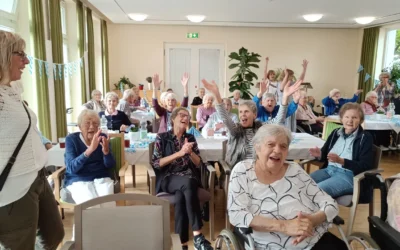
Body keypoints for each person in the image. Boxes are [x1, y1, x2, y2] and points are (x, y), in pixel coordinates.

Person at [228, 125, 345, 250]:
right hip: (272, 245)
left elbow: (330, 203)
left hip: (313, 238)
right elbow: (237, 214)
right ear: (257, 148)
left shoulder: (295, 170)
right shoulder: (243, 171)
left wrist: (313, 220)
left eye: (283, 146)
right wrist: (285, 226)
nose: (277, 150)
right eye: (271, 144)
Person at [0, 31, 64, 250]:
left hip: (38, 178)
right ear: (4, 55)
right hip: (13, 188)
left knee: (54, 234)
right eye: (21, 55)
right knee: (21, 244)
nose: (26, 60)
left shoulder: (13, 89)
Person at [202, 78, 302, 168]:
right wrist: (217, 95)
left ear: (254, 115)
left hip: (258, 168)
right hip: (239, 168)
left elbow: (278, 121)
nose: (242, 115)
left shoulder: (260, 128)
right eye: (240, 112)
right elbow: (225, 118)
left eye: (246, 112)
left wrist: (284, 98)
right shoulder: (235, 129)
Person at [151, 107, 213, 250]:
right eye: (182, 115)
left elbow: (198, 163)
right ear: (173, 118)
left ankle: (182, 242)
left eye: (187, 116)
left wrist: (190, 152)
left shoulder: (190, 138)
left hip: (188, 176)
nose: (185, 118)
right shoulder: (162, 137)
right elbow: (156, 163)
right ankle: (198, 236)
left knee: (180, 197)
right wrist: (179, 153)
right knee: (188, 183)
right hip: (168, 177)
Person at [309, 103, 373, 198]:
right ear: (341, 119)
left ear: (360, 120)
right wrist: (319, 154)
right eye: (346, 117)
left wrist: (342, 161)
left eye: (354, 117)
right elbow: (324, 155)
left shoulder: (365, 137)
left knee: (317, 191)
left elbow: (365, 165)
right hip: (328, 170)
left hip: (349, 176)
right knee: (302, 183)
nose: (350, 120)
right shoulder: (335, 133)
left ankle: (316, 212)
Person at [64, 110, 116, 203]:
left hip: (101, 177)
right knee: (90, 205)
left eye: (95, 123)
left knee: (107, 204)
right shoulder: (71, 139)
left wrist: (106, 152)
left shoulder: (102, 137)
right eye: (87, 123)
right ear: (80, 127)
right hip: (78, 179)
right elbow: (71, 168)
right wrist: (90, 150)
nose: (92, 127)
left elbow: (110, 165)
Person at [278, 60, 309, 131]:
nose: (292, 77)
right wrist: (286, 75)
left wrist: (304, 69)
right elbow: (282, 88)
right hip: (283, 107)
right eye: (291, 75)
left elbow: (300, 80)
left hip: (291, 106)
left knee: (291, 125)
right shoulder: (280, 83)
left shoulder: (292, 83)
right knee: (284, 125)